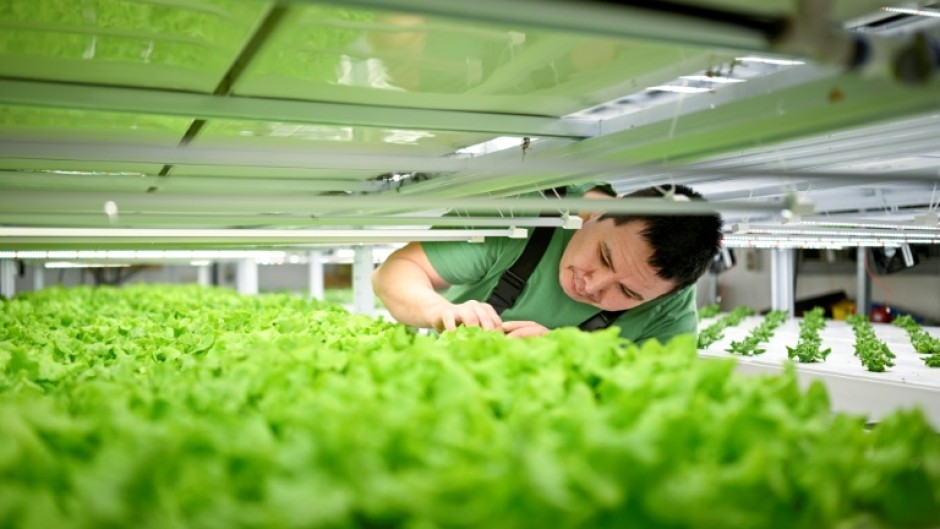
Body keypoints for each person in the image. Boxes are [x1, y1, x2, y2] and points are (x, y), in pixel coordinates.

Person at [372, 183, 722, 343]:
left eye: (627, 291)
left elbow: (660, 396)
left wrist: (567, 357)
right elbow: (397, 271)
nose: (593, 284)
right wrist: (436, 309)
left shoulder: (670, 303)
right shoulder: (521, 216)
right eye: (603, 256)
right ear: (600, 212)